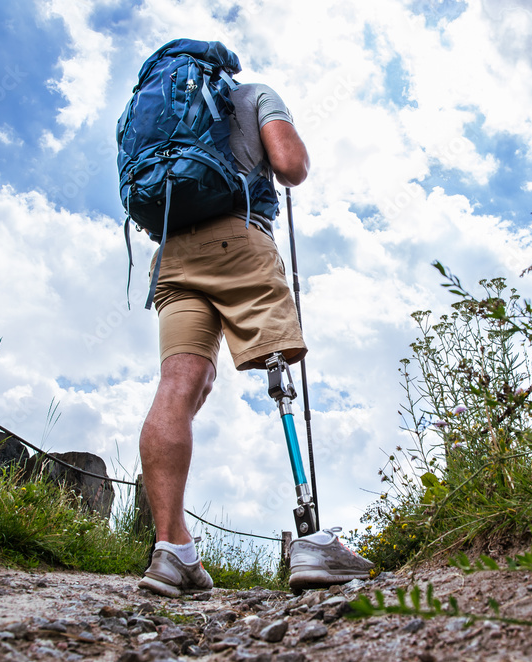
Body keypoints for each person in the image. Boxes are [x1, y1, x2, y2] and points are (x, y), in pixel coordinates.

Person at [135, 57, 374, 598]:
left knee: (177, 385)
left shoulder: (160, 109)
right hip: (239, 238)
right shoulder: (254, 94)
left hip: (171, 255)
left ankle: (171, 550)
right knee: (279, 374)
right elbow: (290, 165)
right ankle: (312, 542)